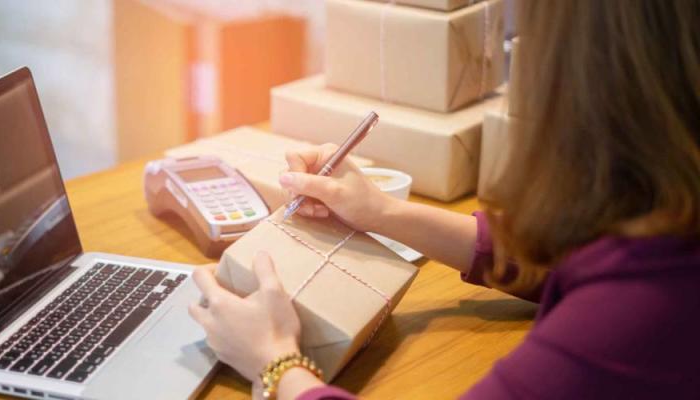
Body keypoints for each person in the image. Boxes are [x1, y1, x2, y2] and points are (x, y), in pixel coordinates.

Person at [188, 1, 700, 398]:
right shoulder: (672, 223)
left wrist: (275, 361)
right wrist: (383, 212)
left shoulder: (643, 305)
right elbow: (569, 260)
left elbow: (615, 292)